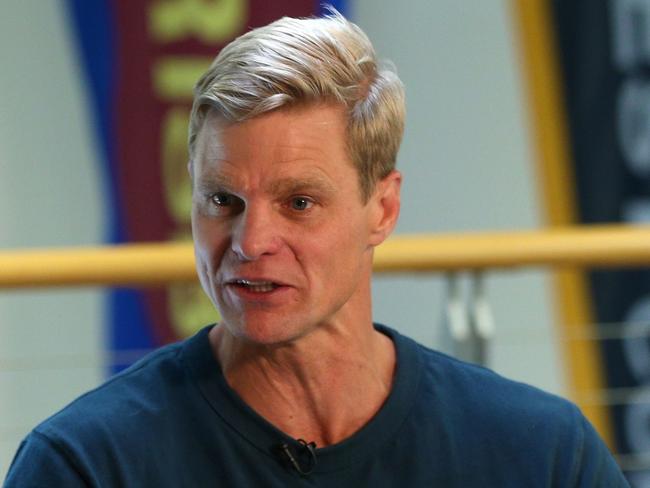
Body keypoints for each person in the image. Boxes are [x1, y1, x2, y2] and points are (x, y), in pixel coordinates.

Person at [5, 11, 629, 487]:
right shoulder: (85, 465)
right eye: (222, 202)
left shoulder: (543, 455)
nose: (250, 244)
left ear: (382, 209)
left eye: (299, 203)